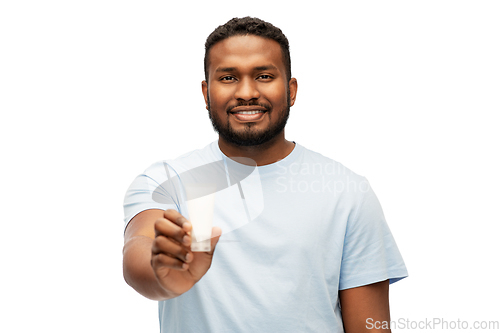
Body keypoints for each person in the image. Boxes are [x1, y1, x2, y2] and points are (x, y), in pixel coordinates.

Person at [123, 17, 408, 332]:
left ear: (291, 89)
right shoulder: (167, 181)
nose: (247, 92)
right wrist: (163, 272)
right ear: (206, 93)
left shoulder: (347, 191)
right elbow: (138, 253)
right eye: (228, 77)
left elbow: (370, 327)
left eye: (264, 75)